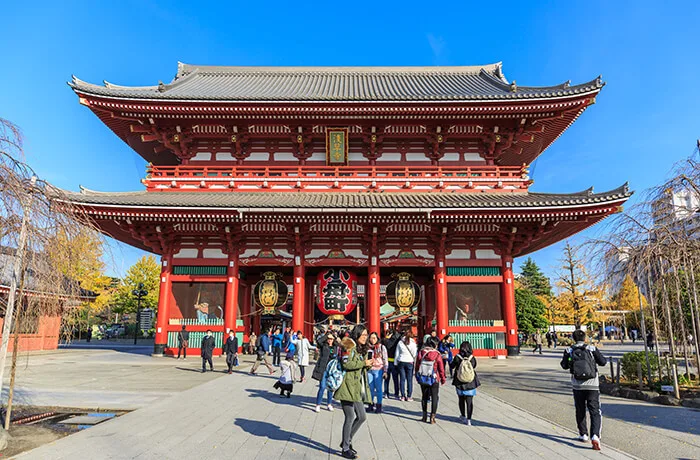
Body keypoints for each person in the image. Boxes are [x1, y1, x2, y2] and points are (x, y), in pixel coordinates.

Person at [560, 329, 607, 451]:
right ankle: (595, 436)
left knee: (580, 409)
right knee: (595, 411)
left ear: (573, 338)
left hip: (577, 385)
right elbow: (603, 362)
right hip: (592, 385)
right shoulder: (591, 349)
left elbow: (564, 366)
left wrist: (569, 358)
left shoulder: (569, 350)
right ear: (585, 338)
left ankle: (583, 434)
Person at [334, 325, 371, 460]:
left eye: (366, 335)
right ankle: (345, 447)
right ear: (357, 335)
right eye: (363, 335)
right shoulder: (348, 346)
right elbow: (347, 365)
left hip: (356, 387)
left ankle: (346, 441)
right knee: (350, 417)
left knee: (361, 416)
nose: (365, 338)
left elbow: (360, 366)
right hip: (347, 386)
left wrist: (368, 364)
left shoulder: (362, 349)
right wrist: (363, 363)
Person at [415, 337, 446, 424]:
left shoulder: (421, 352)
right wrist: (443, 378)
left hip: (423, 376)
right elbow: (441, 368)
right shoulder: (437, 354)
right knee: (435, 397)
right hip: (434, 378)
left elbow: (417, 365)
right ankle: (432, 417)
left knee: (424, 397)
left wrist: (417, 375)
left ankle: (424, 416)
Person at [451, 341, 480, 425]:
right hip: (470, 382)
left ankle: (463, 416)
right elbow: (474, 366)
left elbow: (452, 366)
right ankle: (469, 419)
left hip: (459, 381)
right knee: (469, 401)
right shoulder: (472, 357)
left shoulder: (457, 357)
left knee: (461, 399)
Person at [313, 332, 337, 412]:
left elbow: (339, 343)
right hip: (323, 369)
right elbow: (319, 341)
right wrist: (326, 335)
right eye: (329, 339)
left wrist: (334, 336)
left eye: (331, 339)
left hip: (331, 370)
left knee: (330, 388)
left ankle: (329, 404)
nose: (330, 340)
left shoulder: (335, 347)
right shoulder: (323, 346)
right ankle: (318, 404)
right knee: (322, 387)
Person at [366, 332, 388, 413]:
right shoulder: (368, 347)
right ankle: (370, 404)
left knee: (378, 389)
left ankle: (379, 405)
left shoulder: (382, 347)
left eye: (374, 338)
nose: (372, 340)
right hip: (369, 369)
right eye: (371, 338)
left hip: (379, 369)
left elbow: (385, 359)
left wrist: (385, 370)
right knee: (370, 388)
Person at [395, 330, 417, 401]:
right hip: (409, 361)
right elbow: (414, 354)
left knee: (402, 379)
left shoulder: (400, 342)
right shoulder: (413, 343)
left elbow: (397, 353)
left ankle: (402, 396)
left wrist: (396, 362)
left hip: (401, 361)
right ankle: (409, 396)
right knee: (409, 380)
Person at [382, 329, 401, 399]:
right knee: (395, 379)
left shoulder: (385, 341)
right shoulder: (398, 341)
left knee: (386, 378)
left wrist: (386, 338)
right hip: (395, 361)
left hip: (387, 361)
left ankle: (386, 393)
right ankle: (396, 393)